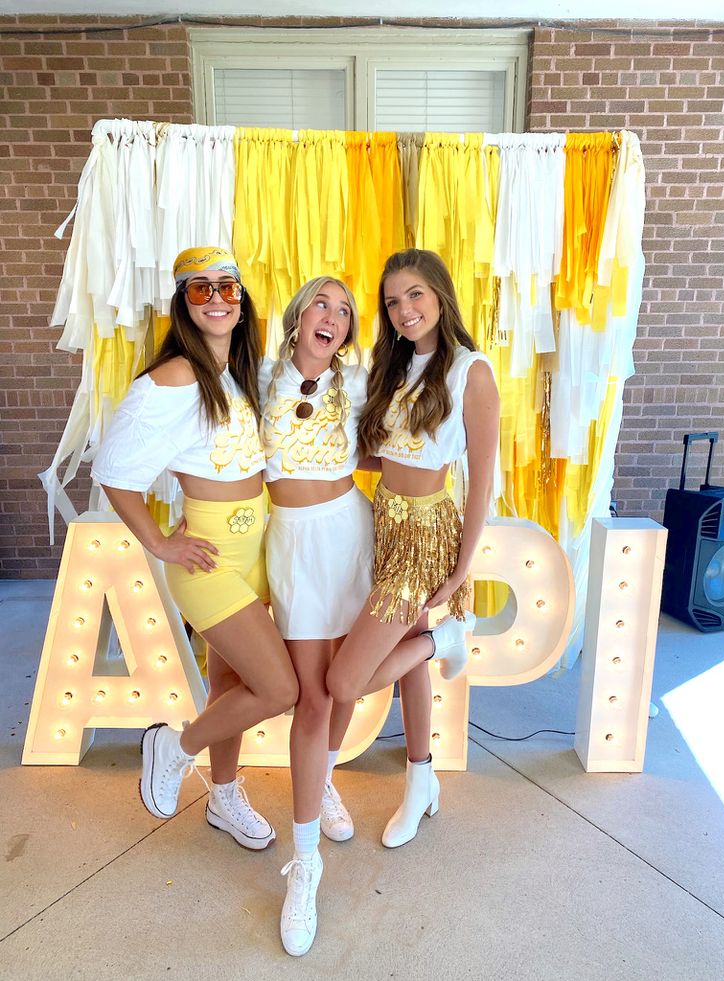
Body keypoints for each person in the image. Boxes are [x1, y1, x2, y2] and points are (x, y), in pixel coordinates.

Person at [92, 246, 298, 851]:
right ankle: (174, 747)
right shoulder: (176, 376)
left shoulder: (242, 370)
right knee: (279, 689)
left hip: (256, 549)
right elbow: (114, 469)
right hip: (208, 556)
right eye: (200, 289)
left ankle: (225, 795)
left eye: (226, 287)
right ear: (184, 304)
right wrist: (158, 542)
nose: (216, 299)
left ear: (242, 300)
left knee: (232, 685)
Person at [326, 248, 499, 848]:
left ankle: (441, 638)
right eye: (393, 301)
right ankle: (420, 779)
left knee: (346, 679)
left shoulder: (470, 372)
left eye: (415, 295)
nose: (404, 310)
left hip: (427, 534)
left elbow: (481, 481)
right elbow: (388, 453)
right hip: (385, 523)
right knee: (405, 670)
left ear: (441, 295)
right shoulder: (393, 367)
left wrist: (458, 571)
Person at [259, 277, 373, 956]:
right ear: (299, 314)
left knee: (346, 684)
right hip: (293, 540)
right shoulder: (256, 376)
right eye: (321, 303)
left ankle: (322, 779)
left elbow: (405, 440)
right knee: (309, 696)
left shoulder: (357, 384)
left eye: (345, 310)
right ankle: (305, 868)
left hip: (349, 531)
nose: (331, 316)